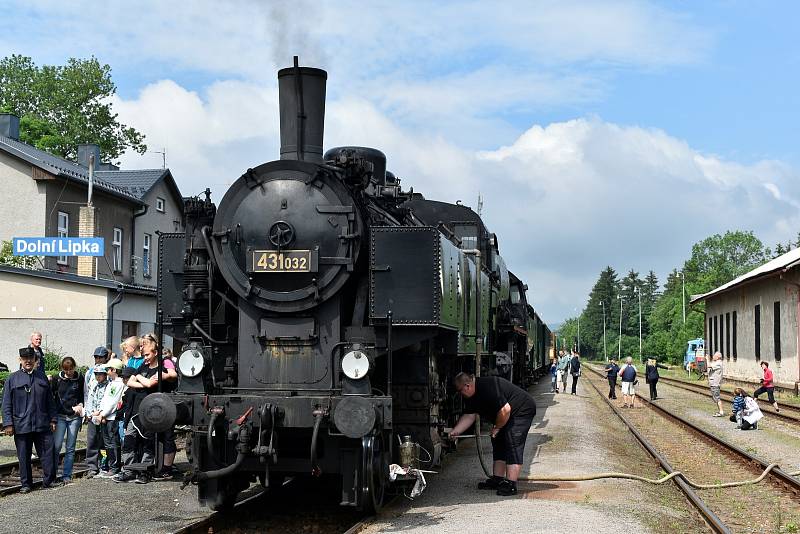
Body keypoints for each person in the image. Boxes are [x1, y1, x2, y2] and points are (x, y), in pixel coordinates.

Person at [450, 372, 537, 496]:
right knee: (498, 441)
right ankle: (498, 479)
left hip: (521, 410)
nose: (460, 394)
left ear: (467, 386)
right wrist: (456, 431)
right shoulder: (472, 396)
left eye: (460, 391)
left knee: (513, 442)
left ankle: (511, 484)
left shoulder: (488, 387)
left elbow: (505, 410)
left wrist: (497, 427)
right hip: (505, 415)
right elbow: (470, 415)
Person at [2, 347, 59, 492]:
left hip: (42, 423)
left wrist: (53, 419)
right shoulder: (12, 379)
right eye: (25, 359)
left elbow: (50, 401)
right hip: (21, 424)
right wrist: (8, 423)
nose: (28, 361)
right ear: (20, 360)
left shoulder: (42, 377)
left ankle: (49, 481)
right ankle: (26, 484)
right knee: (24, 456)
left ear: (35, 360)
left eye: (31, 358)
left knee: (48, 453)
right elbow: (6, 403)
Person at [52, 356, 85, 484]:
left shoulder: (79, 378)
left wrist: (81, 405)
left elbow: (82, 395)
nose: (69, 373)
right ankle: (53, 473)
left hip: (74, 417)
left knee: (70, 448)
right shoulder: (57, 378)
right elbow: (51, 395)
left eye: (71, 369)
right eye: (66, 370)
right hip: (60, 415)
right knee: (57, 446)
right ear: (62, 369)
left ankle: (67, 474)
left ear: (74, 367)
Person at [97, 359, 125, 477]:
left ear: (114, 370)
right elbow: (105, 400)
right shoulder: (112, 383)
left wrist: (103, 414)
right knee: (107, 442)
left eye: (108, 369)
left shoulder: (118, 384)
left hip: (112, 418)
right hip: (105, 416)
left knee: (112, 442)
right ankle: (110, 465)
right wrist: (101, 412)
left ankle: (114, 466)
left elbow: (113, 402)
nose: (107, 372)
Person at [83, 365, 111, 478]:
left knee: (106, 441)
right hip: (92, 416)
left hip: (104, 417)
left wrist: (101, 412)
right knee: (92, 441)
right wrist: (89, 413)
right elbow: (89, 399)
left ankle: (107, 465)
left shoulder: (109, 386)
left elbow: (109, 401)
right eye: (96, 374)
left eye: (100, 374)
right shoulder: (94, 386)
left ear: (105, 375)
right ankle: (92, 467)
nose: (98, 376)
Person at [708, 352, 724, 417]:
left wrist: (707, 359)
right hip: (714, 383)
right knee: (716, 398)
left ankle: (721, 411)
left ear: (717, 357)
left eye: (714, 356)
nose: (713, 356)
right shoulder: (716, 363)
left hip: (715, 383)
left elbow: (709, 365)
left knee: (717, 398)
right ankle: (720, 411)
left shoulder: (719, 363)